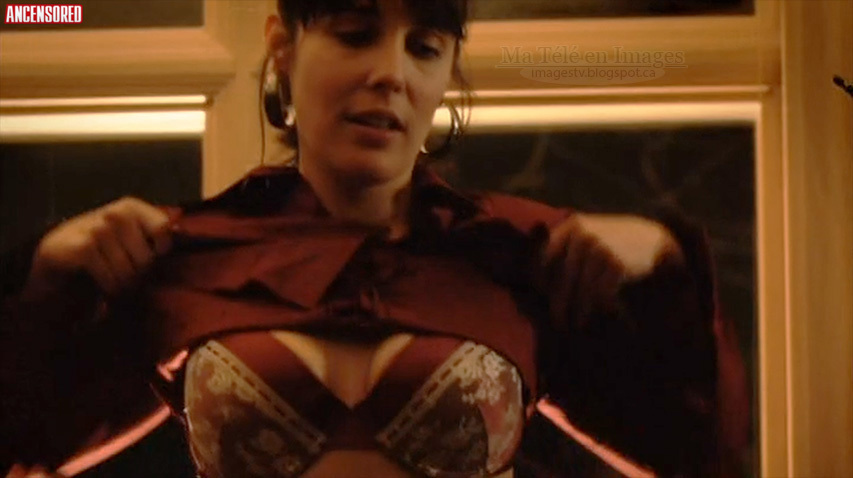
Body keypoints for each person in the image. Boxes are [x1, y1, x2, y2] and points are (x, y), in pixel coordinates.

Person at [0, 0, 748, 477]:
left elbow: (700, 448)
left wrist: (663, 258)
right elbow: (19, 436)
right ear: (283, 46)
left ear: (448, 72)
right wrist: (43, 271)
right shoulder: (184, 257)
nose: (390, 74)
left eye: (424, 46)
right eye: (356, 34)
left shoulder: (519, 256)